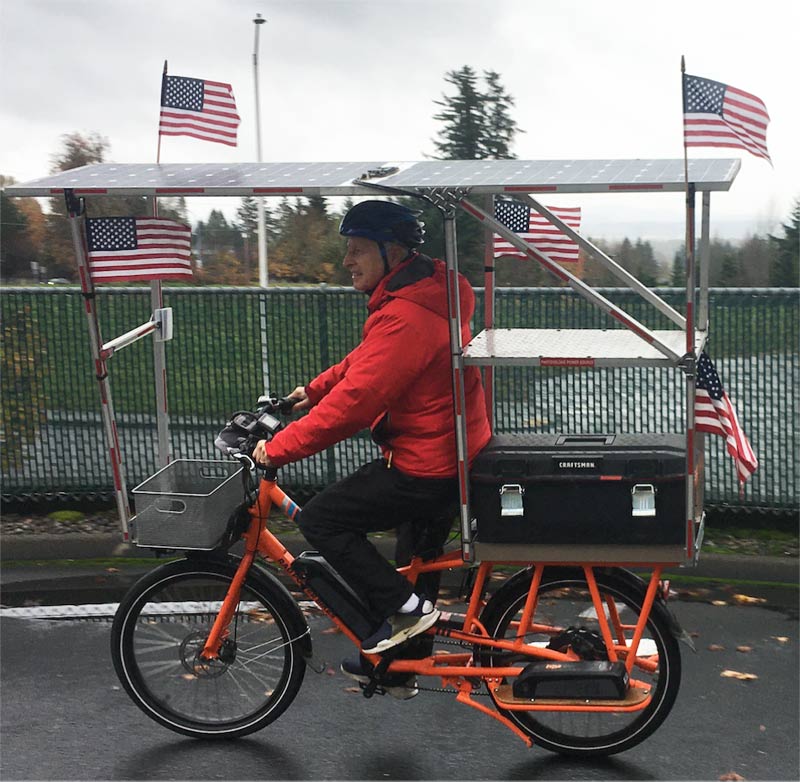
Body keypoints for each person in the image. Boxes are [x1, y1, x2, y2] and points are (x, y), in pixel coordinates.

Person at [253, 200, 491, 696]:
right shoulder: (422, 296)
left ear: (393, 251)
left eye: (357, 249)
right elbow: (366, 362)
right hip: (450, 451)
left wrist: (278, 448)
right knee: (413, 564)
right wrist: (312, 390)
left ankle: (408, 614)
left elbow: (358, 402)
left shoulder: (407, 316)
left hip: (427, 462)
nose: (347, 261)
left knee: (322, 520)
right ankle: (405, 668)